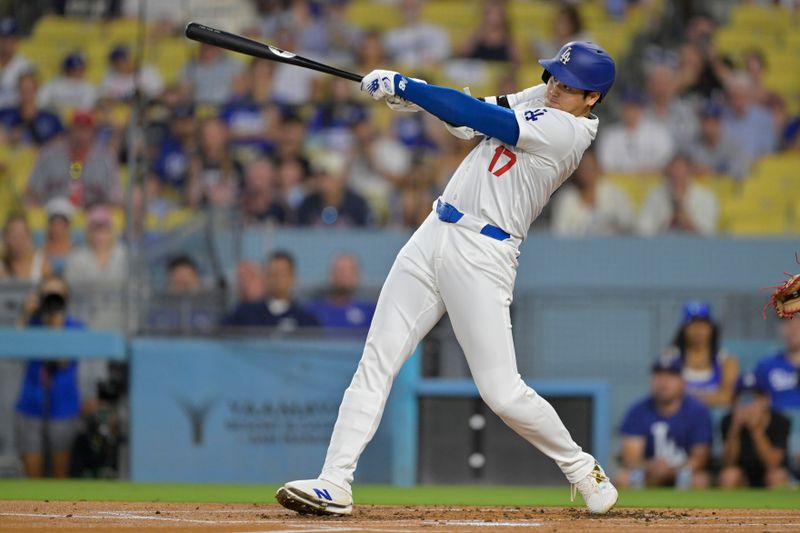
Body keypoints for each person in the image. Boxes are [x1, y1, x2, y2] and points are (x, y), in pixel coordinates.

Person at [277, 41, 619, 515]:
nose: (557, 87)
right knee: (376, 361)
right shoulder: (543, 98)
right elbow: (470, 113)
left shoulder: (568, 131)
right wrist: (413, 99)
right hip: (434, 231)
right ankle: (335, 482)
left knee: (502, 393)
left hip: (484, 252)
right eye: (556, 77)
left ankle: (583, 469)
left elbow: (479, 119)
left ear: (593, 98)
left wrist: (408, 86)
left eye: (570, 85)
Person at [14, 275, 85, 478]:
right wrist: (25, 315)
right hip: (31, 402)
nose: (53, 299)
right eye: (48, 294)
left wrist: (56, 324)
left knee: (60, 473)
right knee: (32, 473)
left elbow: (63, 361)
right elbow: (15, 349)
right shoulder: (32, 324)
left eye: (58, 294)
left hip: (63, 405)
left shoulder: (75, 327)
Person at [615, 355, 713, 489]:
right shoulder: (637, 410)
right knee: (623, 478)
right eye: (659, 376)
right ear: (652, 380)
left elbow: (699, 458)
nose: (664, 382)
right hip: (647, 474)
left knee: (700, 480)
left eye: (671, 376)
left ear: (682, 382)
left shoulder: (697, 411)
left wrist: (671, 470)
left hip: (682, 474)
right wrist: (651, 467)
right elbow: (630, 458)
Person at [25, 110, 120, 208]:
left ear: (93, 132)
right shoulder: (49, 154)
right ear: (69, 130)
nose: (81, 134)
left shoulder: (106, 158)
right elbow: (32, 191)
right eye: (77, 128)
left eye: (85, 129)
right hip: (54, 213)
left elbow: (114, 198)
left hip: (93, 215)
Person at [718, 373, 791, 489]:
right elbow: (728, 463)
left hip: (769, 474)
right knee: (729, 476)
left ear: (765, 400)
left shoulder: (780, 421)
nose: (748, 404)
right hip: (742, 477)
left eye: (753, 398)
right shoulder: (728, 421)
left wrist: (756, 431)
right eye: (743, 399)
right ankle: (728, 508)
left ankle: (775, 507)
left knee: (777, 476)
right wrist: (735, 430)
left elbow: (773, 463)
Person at [662, 301, 739, 408]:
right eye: (692, 323)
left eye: (702, 323)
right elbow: (663, 395)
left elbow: (728, 397)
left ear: (711, 327)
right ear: (684, 328)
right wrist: (712, 398)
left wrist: (685, 399)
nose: (697, 329)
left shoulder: (726, 361)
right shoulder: (669, 358)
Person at [222, 251, 319, 331]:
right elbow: (218, 335)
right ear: (265, 277)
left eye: (282, 274)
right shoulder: (245, 313)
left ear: (293, 278)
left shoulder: (306, 320)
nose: (277, 279)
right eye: (273, 274)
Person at [550, 149, 635, 236]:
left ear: (598, 167)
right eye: (582, 168)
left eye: (590, 167)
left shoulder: (614, 193)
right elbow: (559, 232)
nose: (587, 172)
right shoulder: (566, 198)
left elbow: (629, 223)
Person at [636, 154, 718, 236]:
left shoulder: (705, 197)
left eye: (681, 174)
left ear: (689, 172)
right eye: (674, 175)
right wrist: (663, 223)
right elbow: (643, 228)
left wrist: (684, 219)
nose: (677, 177)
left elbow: (707, 232)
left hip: (695, 245)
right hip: (661, 243)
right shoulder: (655, 195)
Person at [596, 88, 675, 174]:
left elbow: (668, 162)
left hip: (654, 184)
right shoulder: (609, 135)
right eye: (627, 107)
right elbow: (605, 167)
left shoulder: (659, 132)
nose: (631, 111)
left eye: (635, 107)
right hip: (620, 184)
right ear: (620, 109)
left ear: (642, 108)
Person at [306, 253, 376, 334]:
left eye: (350, 270)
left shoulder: (371, 312)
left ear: (357, 276)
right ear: (330, 274)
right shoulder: (312, 311)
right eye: (340, 270)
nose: (344, 275)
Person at [297, 152, 370, 227]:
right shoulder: (307, 205)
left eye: (328, 176)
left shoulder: (357, 205)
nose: (323, 181)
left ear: (342, 177)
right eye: (320, 175)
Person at [64, 205, 127, 286]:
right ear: (88, 233)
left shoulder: (125, 255)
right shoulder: (76, 257)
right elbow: (70, 287)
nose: (99, 235)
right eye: (95, 230)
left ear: (112, 232)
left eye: (104, 230)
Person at [0, 71, 64, 147]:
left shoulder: (51, 119)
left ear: (36, 89)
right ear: (18, 90)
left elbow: (61, 144)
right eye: (23, 90)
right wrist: (9, 137)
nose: (26, 93)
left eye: (29, 89)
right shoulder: (5, 114)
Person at [687, 102, 748, 180]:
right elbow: (685, 168)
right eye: (705, 120)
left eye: (713, 120)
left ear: (720, 123)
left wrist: (713, 171)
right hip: (703, 188)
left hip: (727, 189)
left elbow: (740, 171)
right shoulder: (693, 143)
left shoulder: (734, 142)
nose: (708, 125)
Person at [383, 0, 450, 68]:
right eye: (405, 7)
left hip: (428, 74)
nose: (409, 10)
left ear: (420, 7)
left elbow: (442, 57)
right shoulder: (390, 36)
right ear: (398, 9)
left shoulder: (436, 31)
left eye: (412, 6)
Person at [753, 318, 800, 412]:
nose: (793, 329)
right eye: (788, 323)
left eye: (799, 323)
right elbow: (756, 406)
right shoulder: (766, 366)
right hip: (777, 424)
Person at [99, 44, 163, 101]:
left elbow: (159, 93)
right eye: (116, 62)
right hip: (122, 110)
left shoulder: (147, 70)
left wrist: (145, 94)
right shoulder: (110, 76)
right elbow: (105, 97)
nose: (119, 64)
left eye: (122, 60)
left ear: (128, 59)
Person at [0, 213, 52, 282]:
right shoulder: (2, 266)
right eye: (13, 236)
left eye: (21, 235)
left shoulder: (41, 264)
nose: (18, 240)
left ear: (29, 237)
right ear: (5, 237)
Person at [0, 17, 33, 108]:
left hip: (13, 116)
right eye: (3, 38)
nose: (7, 42)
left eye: (10, 38)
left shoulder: (25, 66)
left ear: (16, 40)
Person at [42, 197, 75, 276]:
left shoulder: (76, 250)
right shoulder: (41, 251)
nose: (57, 228)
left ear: (67, 226)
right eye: (54, 224)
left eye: (61, 224)